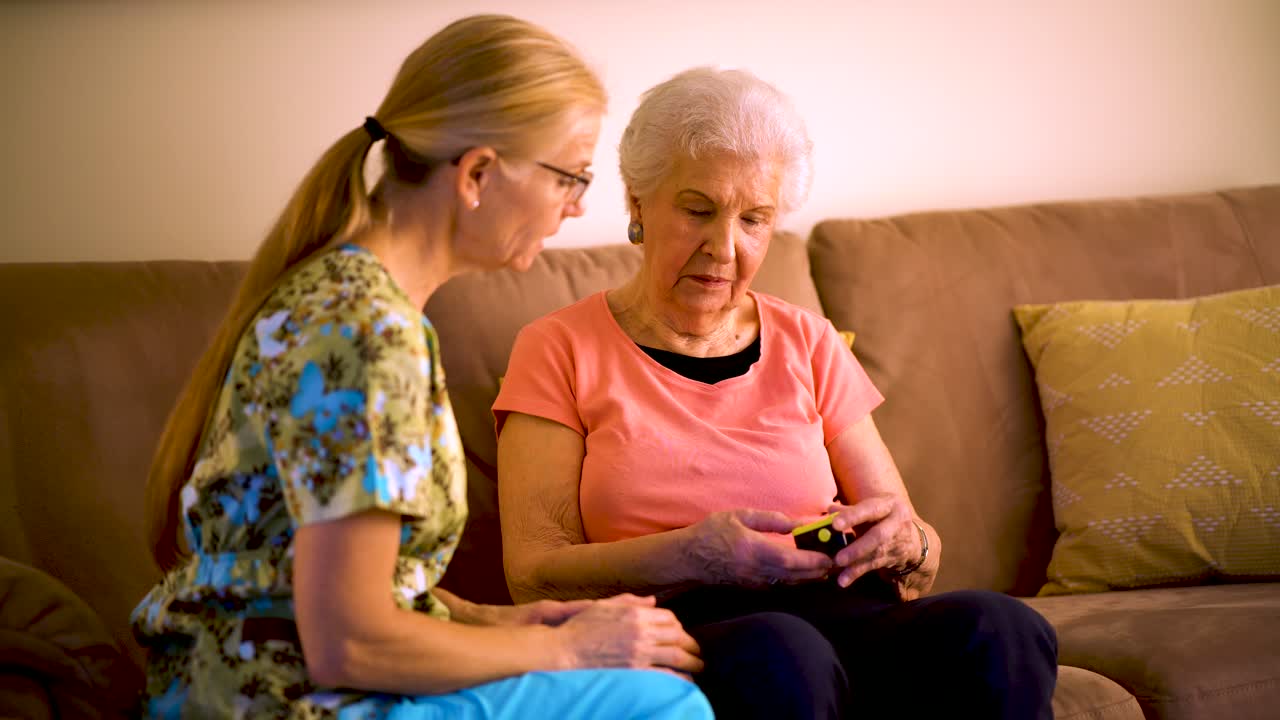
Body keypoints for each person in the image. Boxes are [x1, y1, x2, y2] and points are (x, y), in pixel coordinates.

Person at [133, 15, 711, 719]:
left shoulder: (345, 299)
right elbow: (350, 643)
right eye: (571, 176)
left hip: (238, 683)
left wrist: (499, 623)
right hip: (289, 702)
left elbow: (337, 582)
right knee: (663, 705)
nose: (579, 205)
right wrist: (571, 651)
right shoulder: (369, 335)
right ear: (477, 174)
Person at [494, 66, 1059, 719]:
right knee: (782, 650)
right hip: (689, 633)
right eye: (697, 210)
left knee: (1001, 628)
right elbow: (532, 571)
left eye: (754, 220)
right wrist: (694, 556)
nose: (724, 248)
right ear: (638, 203)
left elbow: (916, 545)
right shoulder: (558, 347)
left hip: (851, 615)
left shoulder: (808, 341)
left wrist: (906, 543)